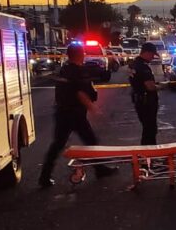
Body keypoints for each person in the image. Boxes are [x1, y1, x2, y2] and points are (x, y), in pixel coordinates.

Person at [38, 44, 118, 187]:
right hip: (74, 113)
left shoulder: (64, 70)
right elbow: (80, 92)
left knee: (58, 144)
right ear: (80, 54)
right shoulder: (78, 71)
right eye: (83, 52)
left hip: (63, 112)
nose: (84, 54)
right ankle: (100, 169)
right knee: (90, 141)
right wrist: (93, 108)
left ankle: (44, 177)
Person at [128, 42, 159, 145]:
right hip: (146, 102)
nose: (152, 57)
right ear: (147, 53)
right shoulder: (143, 67)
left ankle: (147, 155)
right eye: (152, 55)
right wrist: (162, 86)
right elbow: (150, 86)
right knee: (150, 130)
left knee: (147, 128)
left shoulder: (134, 64)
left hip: (139, 100)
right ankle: (149, 154)